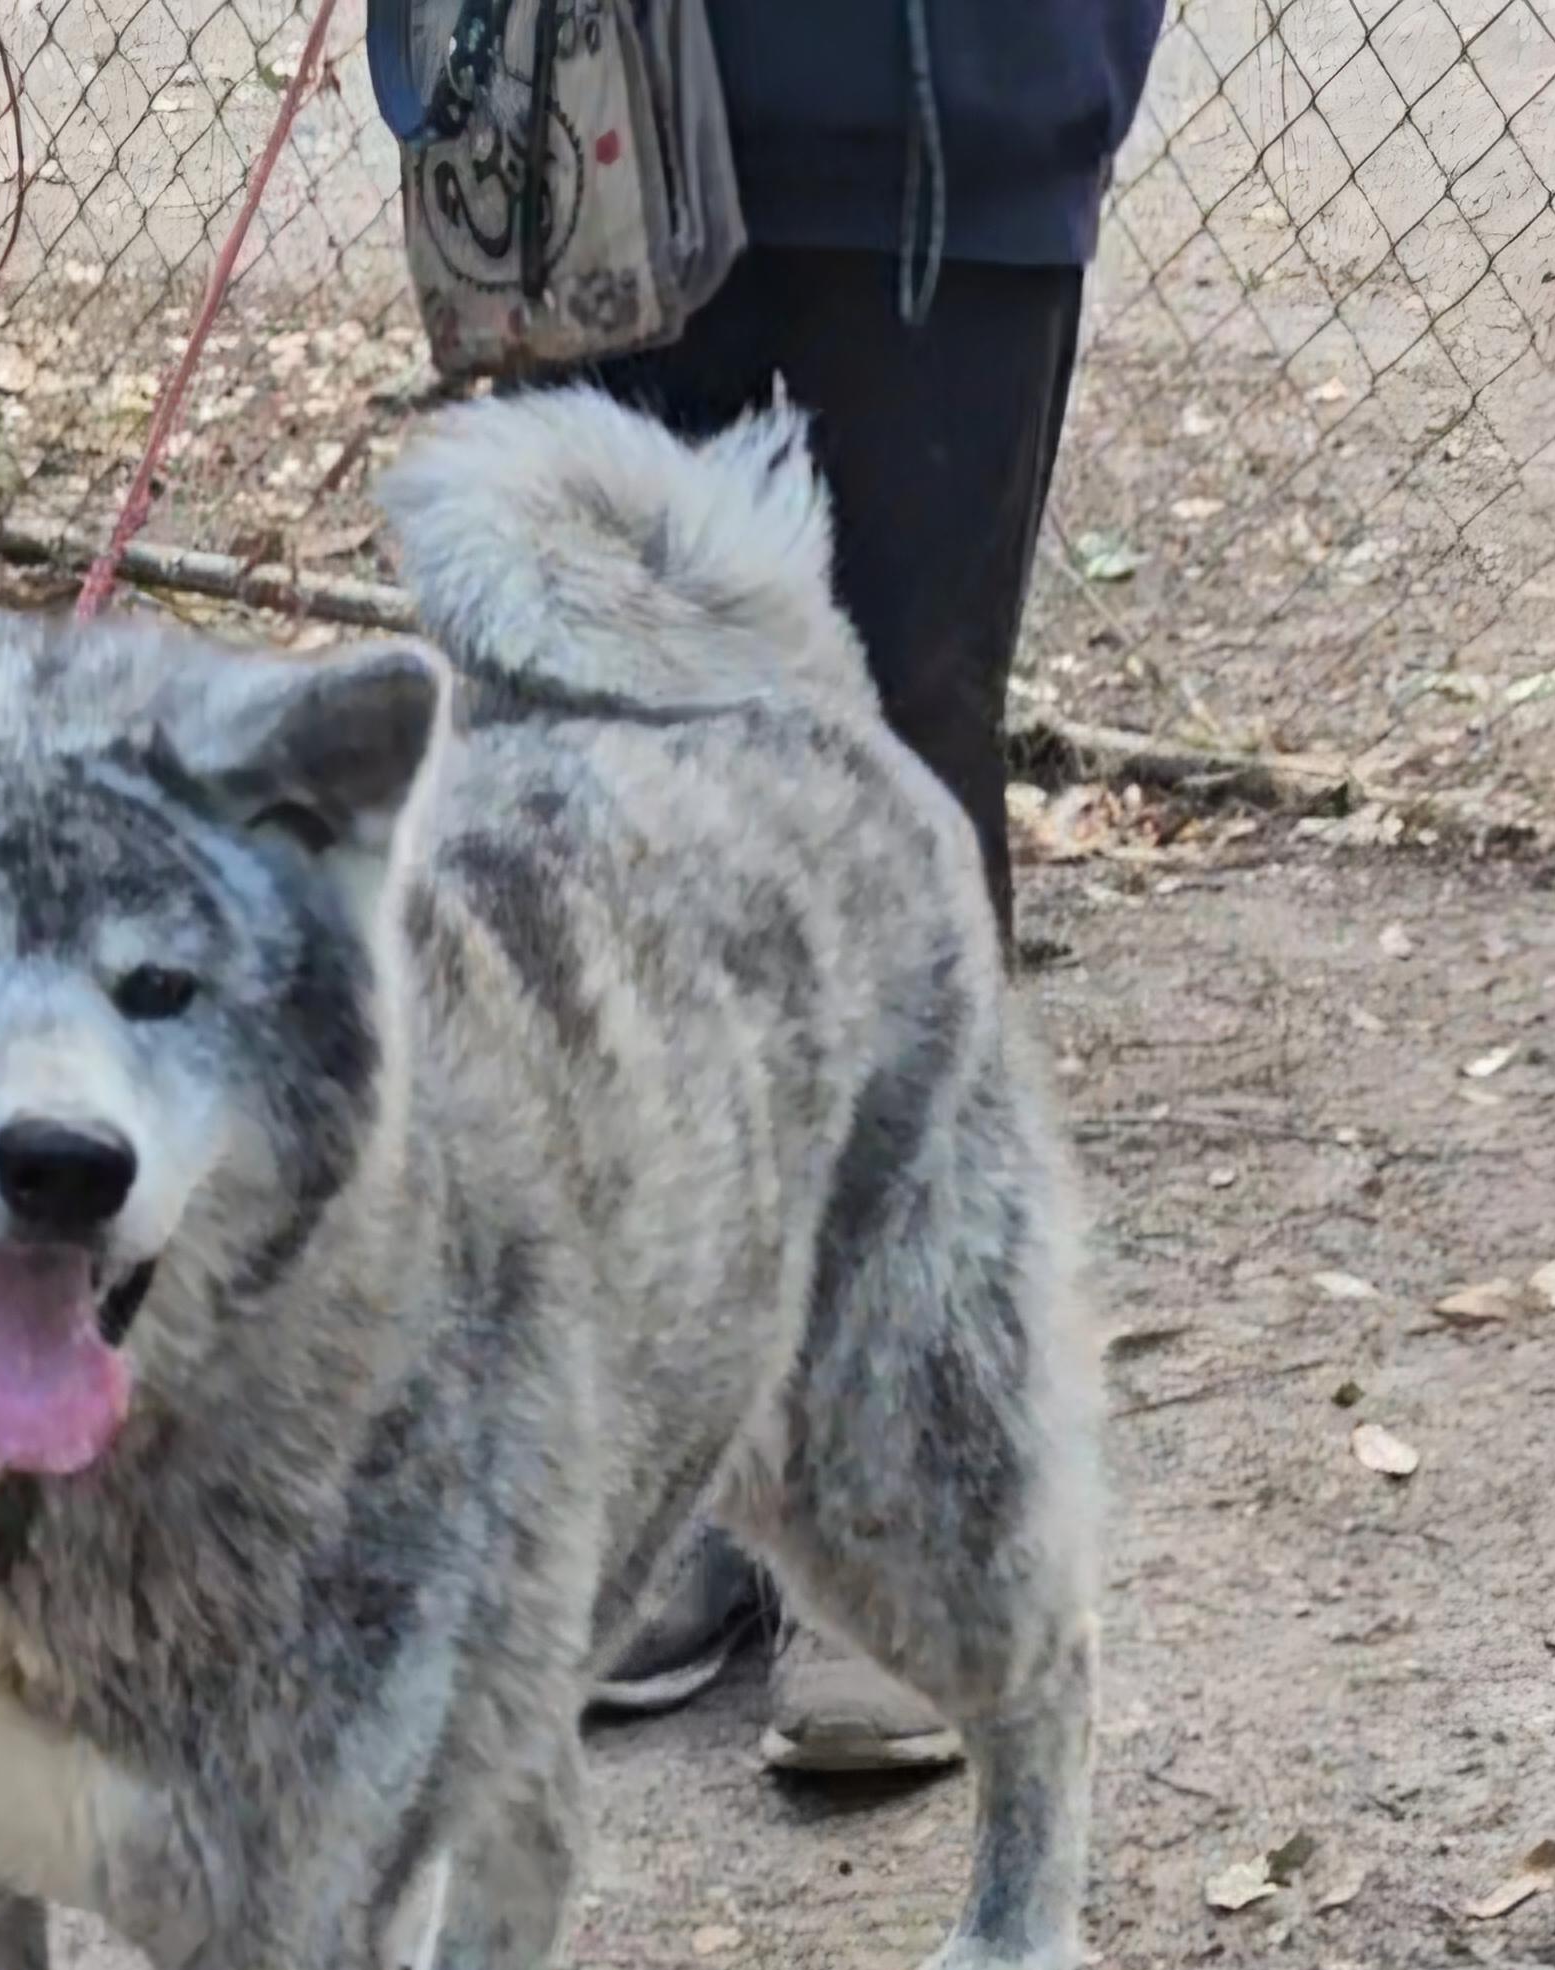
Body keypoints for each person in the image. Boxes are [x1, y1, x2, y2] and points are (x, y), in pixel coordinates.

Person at [584, 0, 1165, 1768]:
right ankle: (695, 1473)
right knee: (619, 747)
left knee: (902, 748)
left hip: (951, 104)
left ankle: (895, 1494)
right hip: (589, 97)